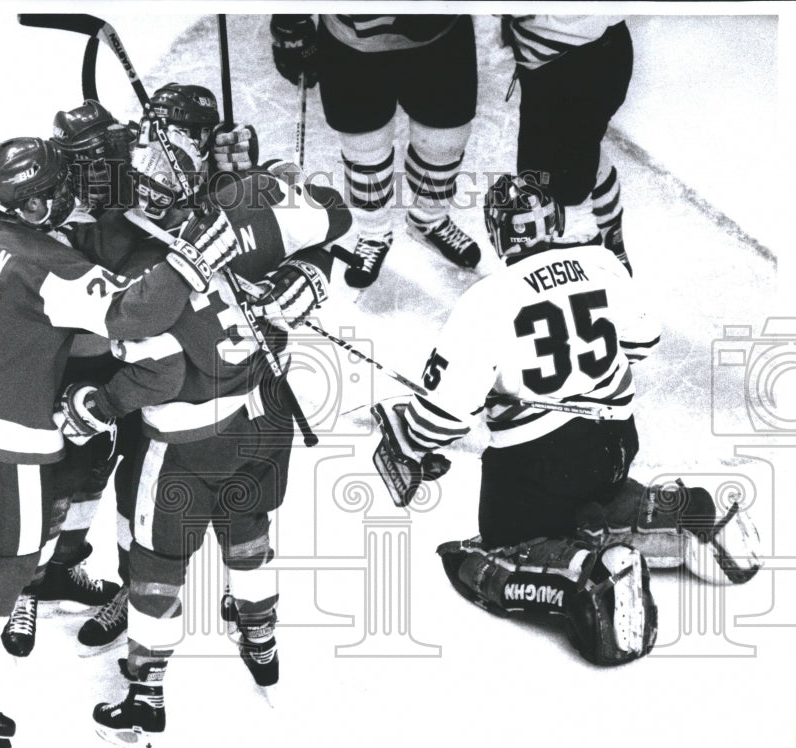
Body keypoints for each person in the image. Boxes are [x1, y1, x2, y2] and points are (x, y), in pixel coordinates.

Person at [0, 135, 244, 748]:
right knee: (8, 558)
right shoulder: (50, 265)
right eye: (51, 195)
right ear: (44, 195)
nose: (58, 205)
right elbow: (133, 315)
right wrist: (188, 262)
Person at [371, 174, 761, 666]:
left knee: (490, 551)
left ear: (496, 235)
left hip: (541, 466)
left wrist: (407, 436)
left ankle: (589, 577)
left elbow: (441, 417)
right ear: (553, 221)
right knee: (595, 498)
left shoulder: (488, 300)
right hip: (617, 443)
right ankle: (694, 513)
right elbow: (643, 342)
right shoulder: (600, 259)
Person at [53, 122, 350, 748]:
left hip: (182, 448)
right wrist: (310, 275)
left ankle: (145, 698)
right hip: (259, 426)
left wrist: (99, 405)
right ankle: (262, 642)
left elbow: (155, 375)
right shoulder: (246, 207)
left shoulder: (145, 278)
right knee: (248, 532)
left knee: (159, 567)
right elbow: (336, 213)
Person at [0, 86, 267, 657]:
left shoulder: (145, 166)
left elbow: (210, 222)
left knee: (134, 483)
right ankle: (33, 581)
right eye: (82, 158)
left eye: (104, 155)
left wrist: (237, 176)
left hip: (145, 361)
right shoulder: (48, 191)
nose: (95, 170)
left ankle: (127, 584)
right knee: (61, 469)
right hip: (74, 354)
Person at [270, 14, 480, 288]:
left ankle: (430, 219)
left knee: (445, 138)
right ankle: (373, 232)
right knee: (364, 144)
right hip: (351, 39)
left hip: (440, 30)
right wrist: (291, 19)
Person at [503, 14, 635, 273]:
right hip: (588, 52)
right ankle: (612, 243)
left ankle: (592, 259)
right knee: (578, 157)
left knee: (558, 185)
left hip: (571, 62)